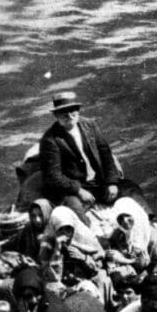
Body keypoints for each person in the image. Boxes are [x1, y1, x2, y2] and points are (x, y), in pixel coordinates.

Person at [39, 92, 121, 223]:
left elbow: (105, 153)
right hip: (74, 188)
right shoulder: (50, 139)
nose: (69, 115)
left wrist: (112, 182)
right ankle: (90, 232)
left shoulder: (90, 125)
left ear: (78, 110)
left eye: (72, 110)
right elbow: (53, 175)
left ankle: (152, 222)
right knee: (73, 209)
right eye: (63, 112)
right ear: (56, 115)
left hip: (99, 182)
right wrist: (78, 190)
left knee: (131, 189)